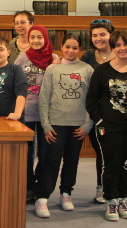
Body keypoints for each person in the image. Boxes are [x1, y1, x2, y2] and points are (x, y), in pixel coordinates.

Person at [53, 19, 127, 205]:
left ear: (111, 35)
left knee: (126, 156)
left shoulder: (126, 55)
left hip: (125, 117)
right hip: (100, 116)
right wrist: (59, 60)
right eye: (95, 35)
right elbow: (73, 66)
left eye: (102, 34)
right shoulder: (89, 56)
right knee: (104, 155)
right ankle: (102, 187)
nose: (99, 38)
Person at [86, 29, 127, 222]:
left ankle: (123, 199)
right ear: (113, 48)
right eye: (117, 45)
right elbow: (92, 100)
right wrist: (100, 120)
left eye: (126, 44)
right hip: (110, 126)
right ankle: (111, 201)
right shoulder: (102, 71)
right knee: (111, 164)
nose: (122, 48)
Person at [34, 33, 94, 218]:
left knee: (72, 160)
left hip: (78, 125)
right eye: (67, 47)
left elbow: (93, 100)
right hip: (56, 124)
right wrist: (46, 125)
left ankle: (66, 194)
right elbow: (43, 99)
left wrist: (87, 125)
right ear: (62, 47)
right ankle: (42, 198)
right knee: (52, 160)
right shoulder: (53, 69)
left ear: (80, 50)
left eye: (75, 48)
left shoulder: (87, 69)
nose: (70, 51)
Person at [14, 25, 58, 204]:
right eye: (33, 37)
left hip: (48, 115)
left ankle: (41, 188)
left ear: (46, 38)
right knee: (26, 154)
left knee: (46, 154)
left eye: (40, 37)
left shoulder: (55, 59)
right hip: (27, 113)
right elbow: (15, 82)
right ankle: (29, 187)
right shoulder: (22, 58)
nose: (36, 41)